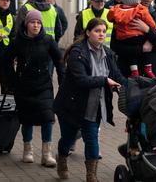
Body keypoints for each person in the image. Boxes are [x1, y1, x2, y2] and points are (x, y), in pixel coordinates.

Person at [54, 18, 127, 181]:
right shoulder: (77, 53)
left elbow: (116, 75)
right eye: (97, 31)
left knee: (92, 141)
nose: (101, 34)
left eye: (103, 31)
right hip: (71, 106)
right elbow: (81, 80)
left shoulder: (107, 53)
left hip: (94, 107)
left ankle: (91, 176)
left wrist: (130, 86)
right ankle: (62, 159)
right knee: (68, 139)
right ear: (88, 33)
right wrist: (104, 81)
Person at [7, 10, 64, 167]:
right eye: (33, 22)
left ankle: (47, 154)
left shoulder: (48, 40)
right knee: (27, 119)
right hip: (23, 86)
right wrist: (13, 80)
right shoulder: (17, 41)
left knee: (47, 118)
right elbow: (5, 62)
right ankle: (28, 150)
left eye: (39, 23)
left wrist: (62, 80)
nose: (36, 25)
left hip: (44, 85)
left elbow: (59, 61)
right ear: (27, 24)